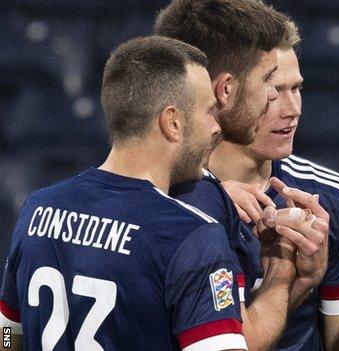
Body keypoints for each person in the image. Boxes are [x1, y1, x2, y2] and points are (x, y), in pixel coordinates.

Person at [0, 35, 248, 350]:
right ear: (172, 122)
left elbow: (7, 333)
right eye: (208, 111)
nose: (216, 127)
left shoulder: (36, 209)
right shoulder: (193, 236)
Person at [154, 1, 333, 350]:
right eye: (269, 82)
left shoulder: (50, 208)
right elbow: (237, 341)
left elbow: (10, 334)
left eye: (294, 88)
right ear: (225, 89)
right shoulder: (194, 217)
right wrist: (285, 275)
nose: (285, 104)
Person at [209, 28, 339, 350]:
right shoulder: (171, 198)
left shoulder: (328, 194)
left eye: (296, 89)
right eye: (272, 94)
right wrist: (294, 278)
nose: (292, 109)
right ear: (224, 94)